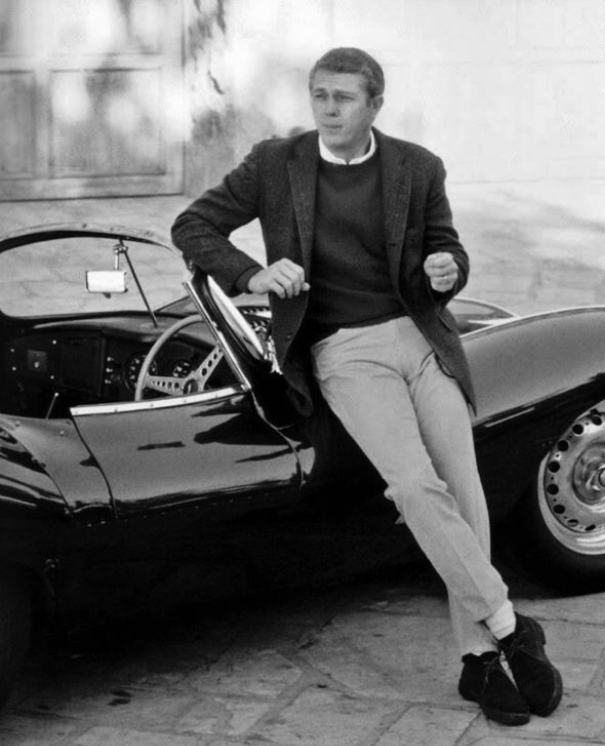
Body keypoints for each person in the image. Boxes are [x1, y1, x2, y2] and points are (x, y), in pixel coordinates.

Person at [171, 47, 563, 726]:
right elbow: (192, 226)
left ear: (375, 104)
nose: (328, 109)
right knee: (413, 486)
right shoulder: (275, 163)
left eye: (343, 97)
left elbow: (448, 249)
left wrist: (448, 268)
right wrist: (252, 274)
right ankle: (508, 626)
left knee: (463, 489)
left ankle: (476, 660)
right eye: (319, 95)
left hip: (422, 340)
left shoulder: (417, 167)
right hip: (344, 351)